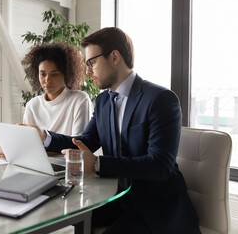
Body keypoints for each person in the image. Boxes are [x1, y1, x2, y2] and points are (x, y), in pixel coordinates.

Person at [23, 27, 200, 233]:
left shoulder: (160, 99)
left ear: (114, 57)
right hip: (119, 198)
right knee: (61, 216)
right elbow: (85, 141)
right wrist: (45, 137)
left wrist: (98, 164)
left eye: (92, 62)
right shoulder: (104, 101)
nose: (88, 72)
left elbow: (160, 165)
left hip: (157, 206)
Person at [0, 42, 92, 158]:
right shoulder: (33, 105)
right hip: (37, 164)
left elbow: (77, 146)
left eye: (54, 74)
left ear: (66, 74)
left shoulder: (79, 100)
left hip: (67, 166)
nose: (47, 80)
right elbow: (28, 145)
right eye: (43, 74)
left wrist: (22, 153)